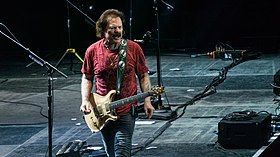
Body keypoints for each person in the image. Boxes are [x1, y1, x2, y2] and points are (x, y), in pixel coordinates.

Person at [80, 9, 155, 157]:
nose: (118, 32)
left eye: (120, 28)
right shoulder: (93, 51)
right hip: (102, 110)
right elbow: (87, 77)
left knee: (122, 151)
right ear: (103, 31)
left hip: (126, 111)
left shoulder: (133, 49)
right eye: (113, 29)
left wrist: (147, 100)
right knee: (111, 152)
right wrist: (85, 100)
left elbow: (143, 75)